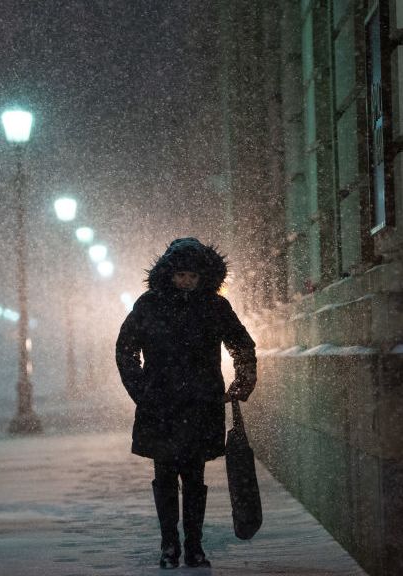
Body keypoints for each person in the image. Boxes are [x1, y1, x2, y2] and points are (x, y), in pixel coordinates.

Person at [115, 237, 257, 569]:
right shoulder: (149, 305)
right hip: (161, 405)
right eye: (181, 275)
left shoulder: (215, 307)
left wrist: (245, 376)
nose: (186, 281)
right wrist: (142, 391)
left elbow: (241, 342)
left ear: (203, 276)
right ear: (169, 274)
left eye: (192, 275)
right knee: (165, 475)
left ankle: (194, 545)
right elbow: (125, 350)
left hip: (200, 403)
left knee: (194, 477)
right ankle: (169, 545)